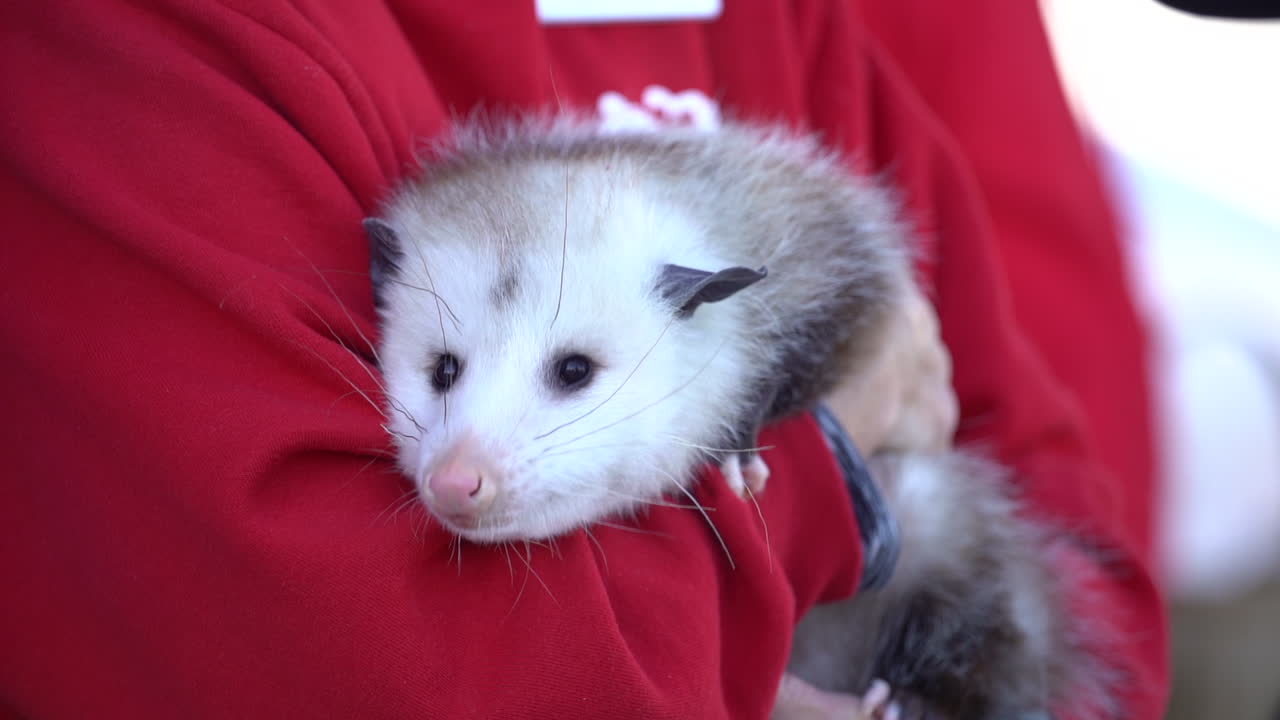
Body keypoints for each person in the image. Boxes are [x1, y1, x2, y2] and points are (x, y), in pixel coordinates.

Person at [0, 2, 1166, 718]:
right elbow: (343, 667)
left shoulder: (779, 34)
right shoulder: (134, 48)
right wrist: (805, 496)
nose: (456, 467)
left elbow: (1051, 494)